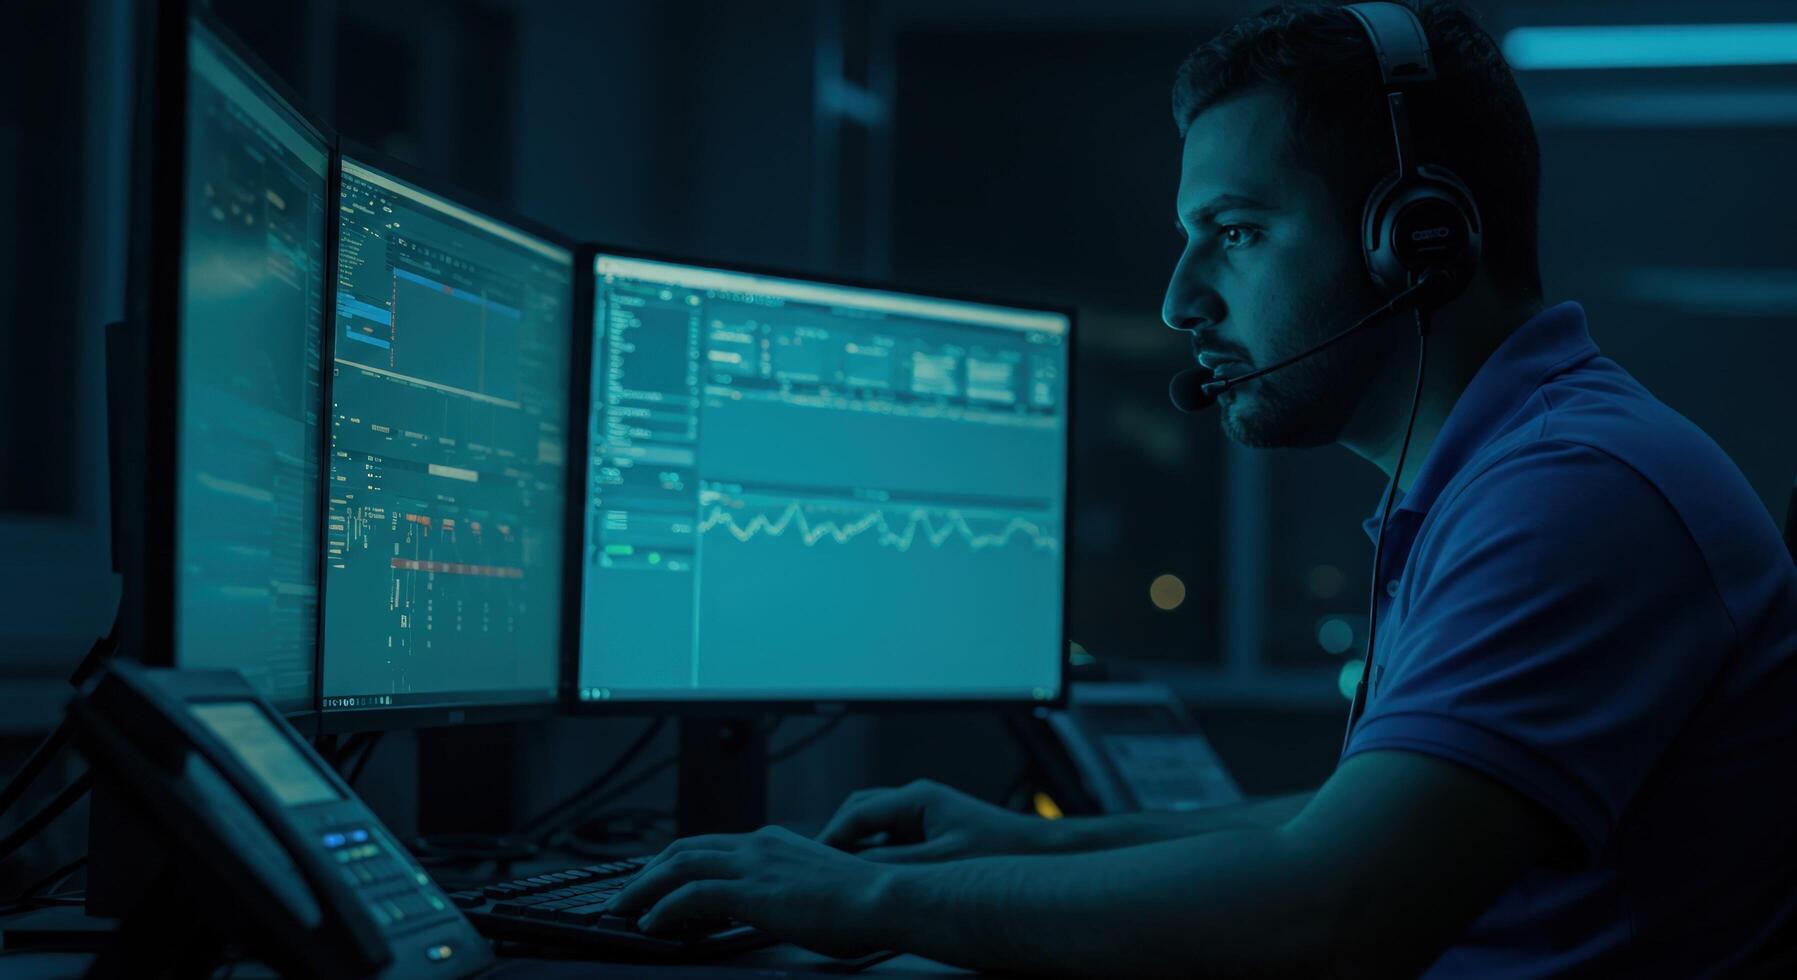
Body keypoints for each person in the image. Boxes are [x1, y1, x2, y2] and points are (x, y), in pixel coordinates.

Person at [605, 2, 1797, 974]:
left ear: (1418, 240)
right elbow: (1348, 820)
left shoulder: (1576, 492)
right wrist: (1029, 849)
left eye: (1233, 231)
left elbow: (1331, 907)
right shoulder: (1507, 470)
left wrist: (868, 898)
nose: (1181, 301)